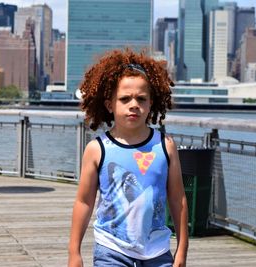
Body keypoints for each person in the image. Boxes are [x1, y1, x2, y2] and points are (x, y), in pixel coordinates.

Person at [68, 48, 188, 267]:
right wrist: (74, 252)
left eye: (141, 99)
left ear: (151, 103)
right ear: (109, 104)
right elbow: (83, 202)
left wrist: (182, 250)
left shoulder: (165, 146)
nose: (134, 104)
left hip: (158, 252)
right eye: (125, 99)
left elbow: (178, 199)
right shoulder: (97, 149)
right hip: (111, 250)